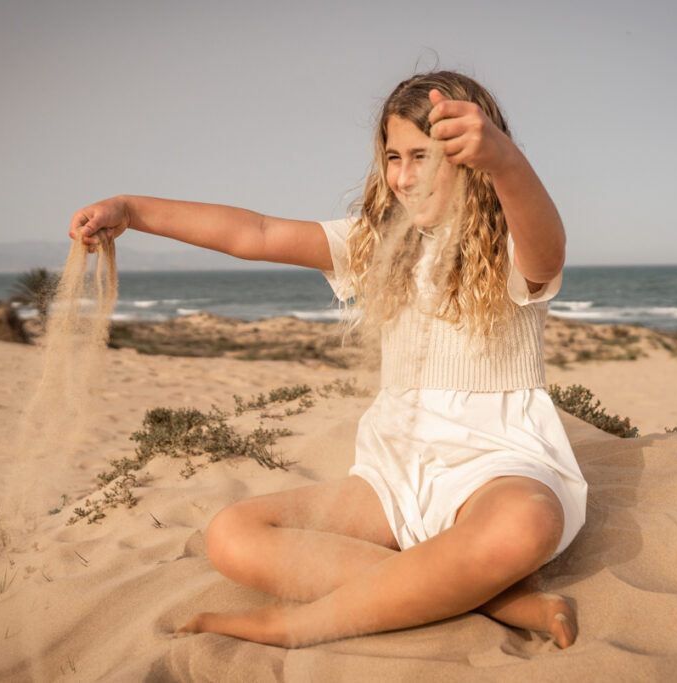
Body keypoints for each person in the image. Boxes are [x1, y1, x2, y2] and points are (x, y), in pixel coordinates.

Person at [69, 70, 587, 649]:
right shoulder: (376, 242)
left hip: (498, 467)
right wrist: (132, 210)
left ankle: (295, 625)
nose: (403, 177)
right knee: (233, 533)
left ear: (471, 156)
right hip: (395, 475)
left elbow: (548, 251)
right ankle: (493, 599)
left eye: (423, 156)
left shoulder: (508, 242)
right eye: (394, 157)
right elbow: (256, 233)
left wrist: (507, 162)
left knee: (526, 524)